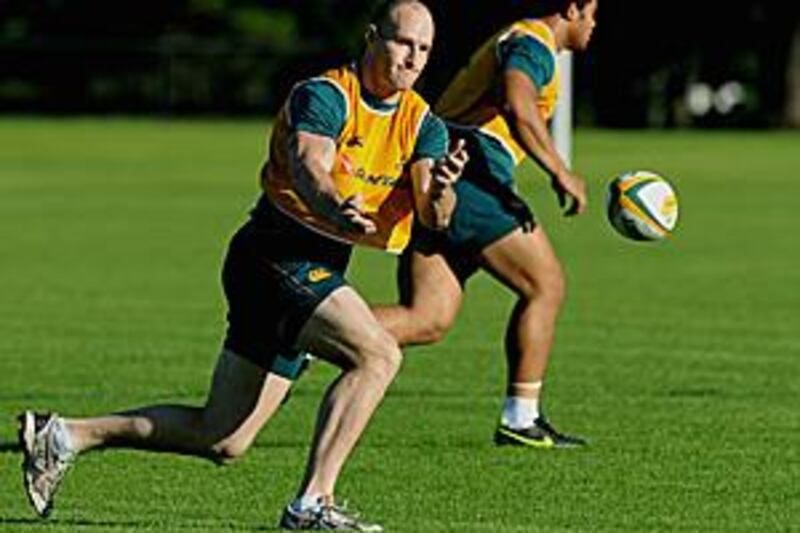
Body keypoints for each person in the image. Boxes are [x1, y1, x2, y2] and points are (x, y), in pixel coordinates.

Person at [17, 1, 467, 530]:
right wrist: (331, 203)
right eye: (402, 42)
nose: (412, 58)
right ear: (372, 38)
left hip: (315, 265)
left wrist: (441, 189)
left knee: (224, 436)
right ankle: (312, 504)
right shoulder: (325, 94)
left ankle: (65, 435)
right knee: (378, 355)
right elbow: (308, 164)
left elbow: (435, 218)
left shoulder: (424, 125)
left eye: (424, 49)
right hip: (274, 255)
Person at [372, 0, 598, 449]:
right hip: (469, 171)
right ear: (572, 9)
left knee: (426, 318)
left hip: (439, 169)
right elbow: (518, 101)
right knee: (545, 285)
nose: (594, 25)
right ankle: (521, 417)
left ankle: (305, 331)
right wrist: (559, 168)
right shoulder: (533, 44)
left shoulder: (514, 37)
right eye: (592, 14)